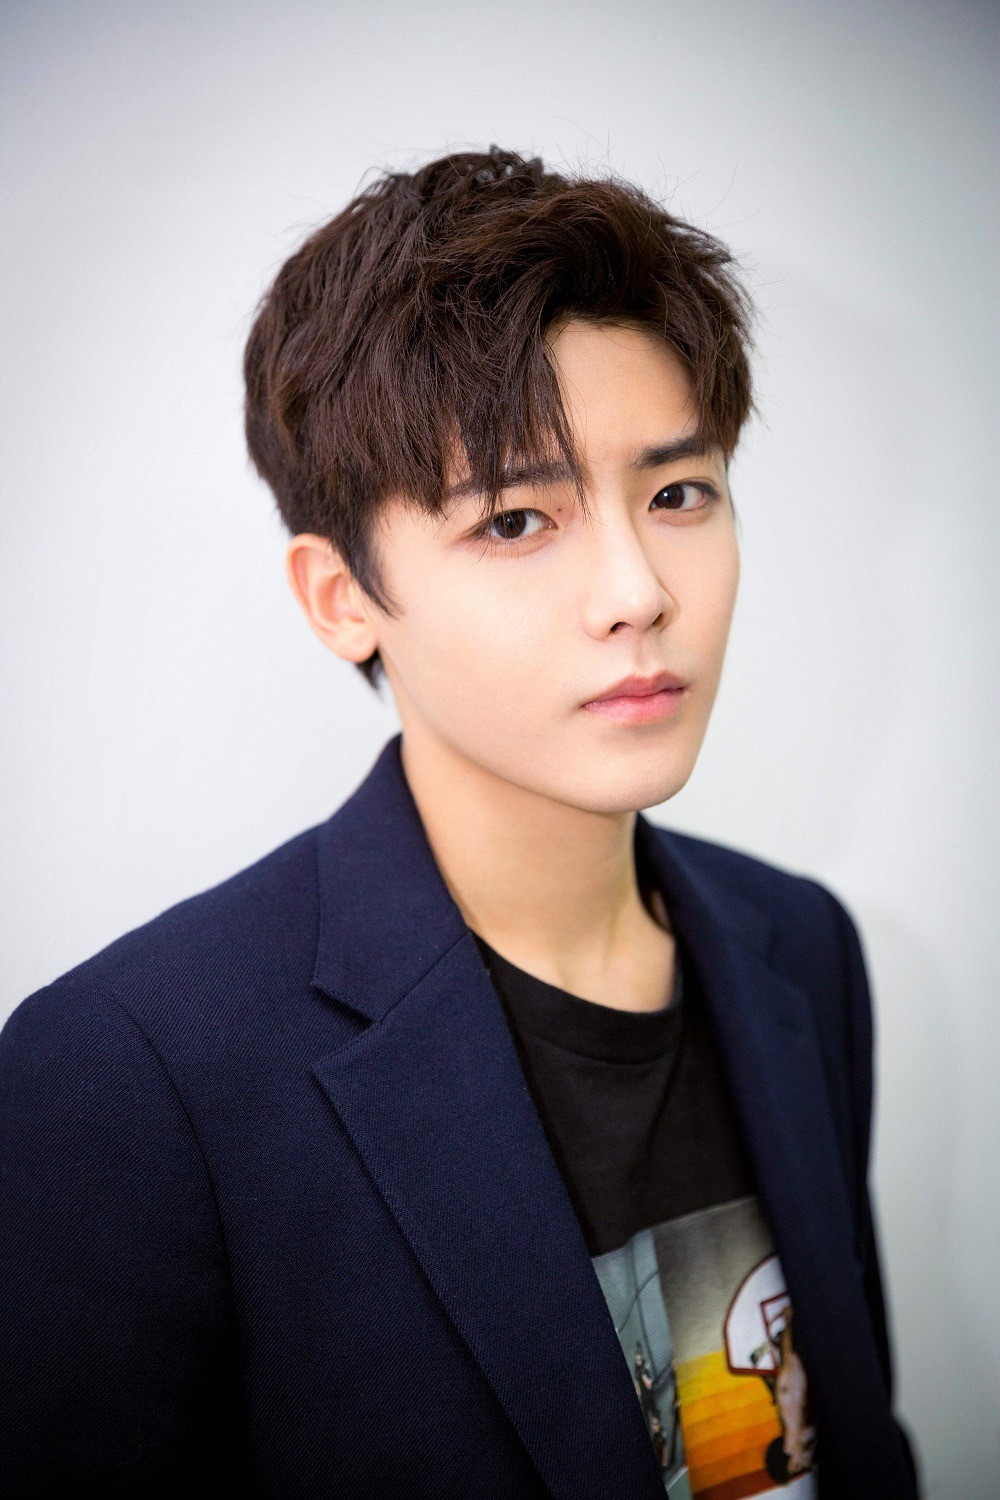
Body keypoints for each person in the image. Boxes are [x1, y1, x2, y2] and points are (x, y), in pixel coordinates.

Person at [0, 145, 920, 1498]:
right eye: (517, 519)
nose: (637, 591)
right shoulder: (133, 1078)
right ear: (340, 598)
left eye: (678, 494)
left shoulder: (800, 947)